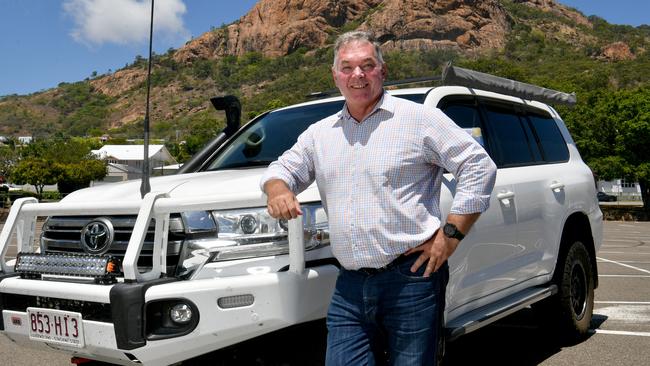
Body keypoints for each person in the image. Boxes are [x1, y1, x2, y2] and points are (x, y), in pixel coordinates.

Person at [260, 31, 497, 366]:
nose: (357, 75)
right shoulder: (320, 134)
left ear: (382, 72)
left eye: (367, 66)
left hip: (411, 278)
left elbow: (478, 165)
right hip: (349, 285)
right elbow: (281, 168)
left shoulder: (418, 119)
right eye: (347, 67)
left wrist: (451, 236)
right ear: (335, 76)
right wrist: (278, 189)